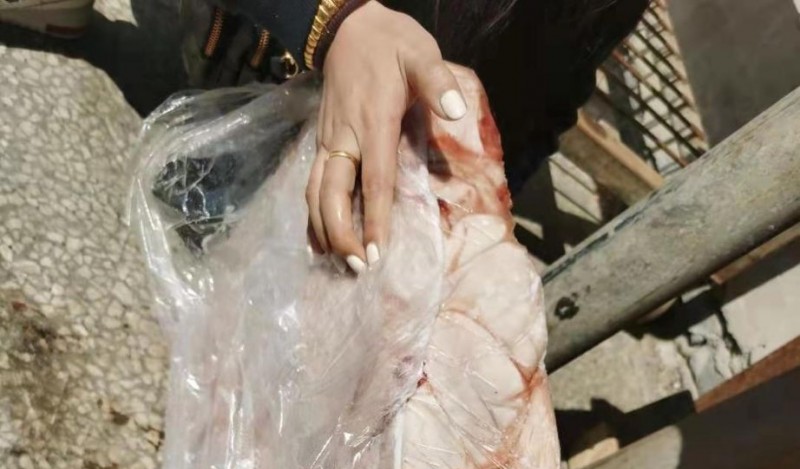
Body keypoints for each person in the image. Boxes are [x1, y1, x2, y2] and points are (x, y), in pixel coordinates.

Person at [2, 0, 647, 270]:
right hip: (252, 47)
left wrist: (485, 200)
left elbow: (557, 89)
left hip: (347, 153)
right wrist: (333, 20)